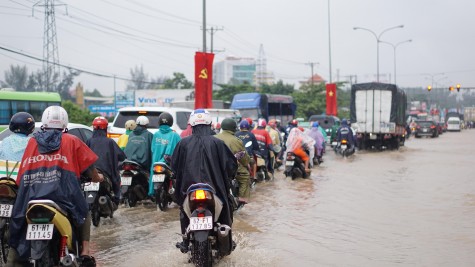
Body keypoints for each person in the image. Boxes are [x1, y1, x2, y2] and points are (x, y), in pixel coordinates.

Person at [7, 106, 103, 266]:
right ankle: (85, 252)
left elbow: (21, 177)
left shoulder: (32, 142)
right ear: (64, 123)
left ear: (44, 122)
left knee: (18, 226)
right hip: (63, 197)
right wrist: (98, 178)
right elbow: (91, 170)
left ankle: (12, 260)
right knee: (84, 212)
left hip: (32, 197)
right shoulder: (72, 140)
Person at [172, 109, 237, 252]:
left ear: (192, 124)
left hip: (188, 188)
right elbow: (231, 166)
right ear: (209, 123)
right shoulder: (218, 143)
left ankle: (185, 239)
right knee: (227, 203)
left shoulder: (183, 143)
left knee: (183, 209)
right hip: (215, 188)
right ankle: (227, 238)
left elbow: (174, 167)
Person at [87, 116, 126, 206]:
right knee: (116, 180)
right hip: (107, 173)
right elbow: (121, 156)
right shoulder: (110, 142)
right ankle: (116, 199)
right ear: (105, 128)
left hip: (90, 174)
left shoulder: (89, 141)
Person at [216, 118, 251, 204]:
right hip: (230, 169)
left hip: (215, 168)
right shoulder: (236, 140)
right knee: (245, 176)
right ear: (234, 128)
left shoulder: (214, 138)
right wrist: (247, 164)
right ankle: (242, 198)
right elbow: (243, 158)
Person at [149, 112, 181, 196]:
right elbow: (180, 149)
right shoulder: (174, 135)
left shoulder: (156, 134)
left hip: (156, 163)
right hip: (168, 163)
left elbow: (152, 149)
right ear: (170, 122)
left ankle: (152, 192)